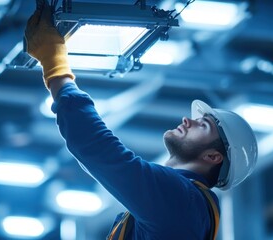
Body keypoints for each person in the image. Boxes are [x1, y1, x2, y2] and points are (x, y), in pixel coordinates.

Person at [24, 3, 258, 240]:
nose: (188, 120)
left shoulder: (181, 201)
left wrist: (55, 65)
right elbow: (96, 152)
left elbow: (98, 148)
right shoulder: (184, 208)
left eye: (203, 125)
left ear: (213, 157)